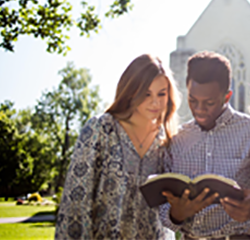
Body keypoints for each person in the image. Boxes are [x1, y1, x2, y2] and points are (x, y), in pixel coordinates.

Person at [54, 54, 179, 239]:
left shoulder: (168, 141)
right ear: (131, 92)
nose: (155, 102)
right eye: (146, 94)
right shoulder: (100, 129)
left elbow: (167, 210)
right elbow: (77, 202)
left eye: (162, 93)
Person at [160, 51, 250, 240]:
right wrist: (175, 214)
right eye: (192, 100)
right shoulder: (176, 139)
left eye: (209, 103)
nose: (199, 110)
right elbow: (163, 206)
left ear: (227, 96)